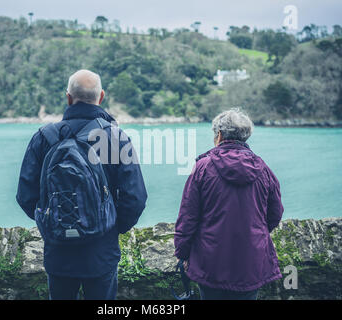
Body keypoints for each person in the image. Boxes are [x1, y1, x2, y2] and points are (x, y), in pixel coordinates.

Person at [16, 69, 147, 300]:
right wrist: (111, 227)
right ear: (101, 96)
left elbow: (26, 196)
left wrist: (52, 223)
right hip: (101, 251)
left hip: (58, 252)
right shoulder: (116, 138)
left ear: (68, 97)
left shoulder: (43, 137)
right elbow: (135, 198)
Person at [174, 108, 284, 300]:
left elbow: (188, 217)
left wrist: (182, 253)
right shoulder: (263, 169)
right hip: (250, 263)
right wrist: (255, 235)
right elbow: (275, 213)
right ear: (245, 136)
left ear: (219, 135)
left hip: (210, 263)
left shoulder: (203, 168)